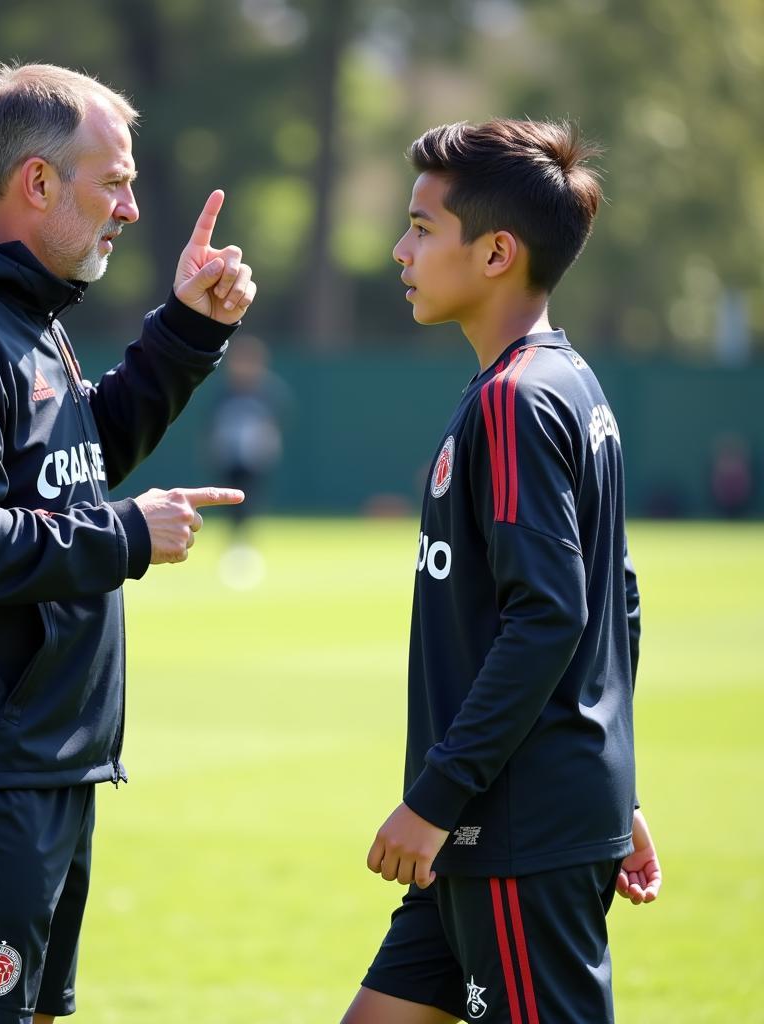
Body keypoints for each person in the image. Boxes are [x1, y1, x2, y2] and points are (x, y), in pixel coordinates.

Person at [0, 63, 255, 1024]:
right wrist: (126, 536)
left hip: (36, 767)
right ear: (36, 182)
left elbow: (71, 468)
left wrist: (187, 334)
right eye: (114, 182)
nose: (132, 207)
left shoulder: (17, 306)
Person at [341, 120, 661, 1024]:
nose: (400, 250)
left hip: (509, 826)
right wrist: (622, 788)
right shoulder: (567, 384)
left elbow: (553, 618)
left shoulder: (519, 400)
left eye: (420, 228)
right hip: (488, 829)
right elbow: (618, 603)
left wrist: (435, 799)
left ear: (494, 253)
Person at [206, 334, 288, 585]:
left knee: (249, 505)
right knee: (230, 508)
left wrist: (268, 448)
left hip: (253, 460)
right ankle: (233, 550)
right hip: (229, 459)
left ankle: (244, 551)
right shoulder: (225, 393)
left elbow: (274, 425)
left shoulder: (266, 393)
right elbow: (212, 426)